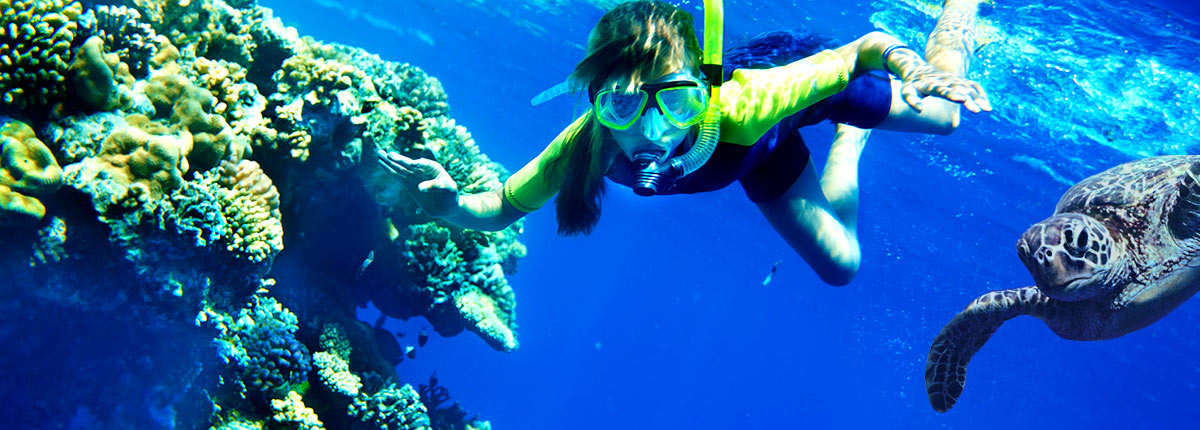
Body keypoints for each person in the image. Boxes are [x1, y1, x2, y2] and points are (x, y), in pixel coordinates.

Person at [378, 0, 990, 285]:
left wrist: (917, 67)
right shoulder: (586, 146)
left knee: (947, 117)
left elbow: (863, 48)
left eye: (674, 100)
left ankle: (960, 11)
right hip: (759, 161)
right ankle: (848, 146)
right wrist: (451, 205)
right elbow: (503, 207)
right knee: (842, 267)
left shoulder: (745, 104)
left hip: (799, 86)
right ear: (596, 101)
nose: (651, 128)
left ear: (700, 88)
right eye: (621, 103)